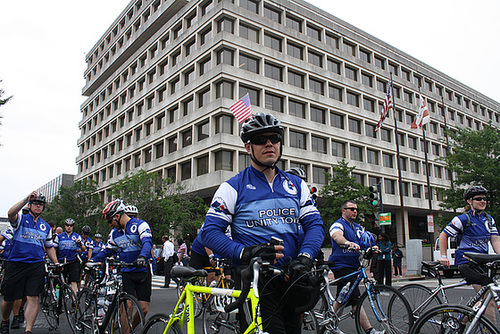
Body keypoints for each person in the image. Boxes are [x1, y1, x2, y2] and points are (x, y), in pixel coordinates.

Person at [200, 112, 324, 334]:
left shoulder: (296, 185)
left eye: (275, 138)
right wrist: (244, 252)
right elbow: (209, 233)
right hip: (256, 282)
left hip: (291, 278)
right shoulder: (232, 187)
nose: (269, 144)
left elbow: (314, 225)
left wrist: (306, 257)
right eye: (260, 139)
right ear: (248, 147)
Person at [439, 185, 500, 323]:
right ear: (470, 202)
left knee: (485, 299)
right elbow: (443, 235)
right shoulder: (462, 219)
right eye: (478, 199)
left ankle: (461, 321)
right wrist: (443, 256)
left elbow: (495, 241)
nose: (482, 201)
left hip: (483, 262)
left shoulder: (489, 220)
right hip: (467, 262)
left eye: (484, 199)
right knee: (488, 300)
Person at [1, 191, 59, 334]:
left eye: (41, 205)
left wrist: (56, 263)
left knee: (33, 297)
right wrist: (25, 199)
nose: (38, 207)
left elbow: (49, 246)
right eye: (36, 204)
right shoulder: (21, 219)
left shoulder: (45, 226)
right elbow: (10, 213)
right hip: (16, 263)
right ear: (30, 205)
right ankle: (4, 321)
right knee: (9, 298)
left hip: (36, 265)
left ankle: (28, 330)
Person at [91, 199, 153, 328]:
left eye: (110, 221)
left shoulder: (141, 225)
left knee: (144, 308)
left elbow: (147, 243)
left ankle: (131, 328)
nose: (110, 225)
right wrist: (93, 261)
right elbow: (108, 250)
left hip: (142, 272)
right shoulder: (115, 233)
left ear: (117, 216)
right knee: (127, 305)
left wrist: (142, 256)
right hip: (126, 273)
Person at [329, 200, 383, 334]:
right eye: (351, 209)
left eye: (356, 209)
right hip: (341, 265)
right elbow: (336, 236)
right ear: (343, 210)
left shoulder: (358, 228)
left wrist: (372, 247)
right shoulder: (338, 225)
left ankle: (330, 324)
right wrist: (348, 243)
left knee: (344, 298)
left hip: (354, 266)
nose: (355, 211)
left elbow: (363, 241)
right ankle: (369, 330)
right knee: (355, 299)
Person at [53, 218, 85, 296]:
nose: (69, 227)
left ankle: (74, 300)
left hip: (73, 261)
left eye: (71, 226)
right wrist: (55, 260)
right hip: (62, 261)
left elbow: (83, 249)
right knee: (60, 281)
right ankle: (58, 298)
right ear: (65, 226)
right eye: (67, 225)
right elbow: (54, 249)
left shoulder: (77, 236)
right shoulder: (59, 236)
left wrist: (80, 243)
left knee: (74, 281)